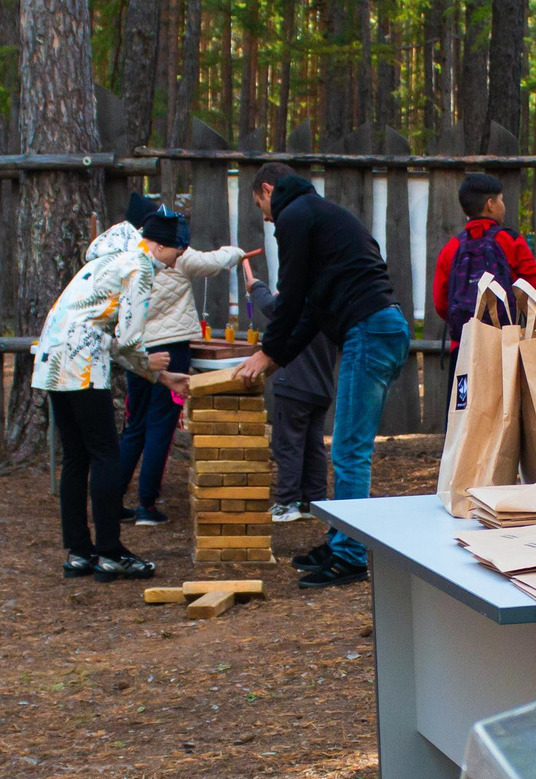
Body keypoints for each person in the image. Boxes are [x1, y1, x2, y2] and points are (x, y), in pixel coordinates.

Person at [231, 162, 408, 587]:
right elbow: (310, 309)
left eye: (260, 206)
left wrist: (268, 350)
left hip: (370, 329)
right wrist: (277, 358)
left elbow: (290, 296)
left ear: (268, 189)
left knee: (348, 449)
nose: (266, 218)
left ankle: (350, 556)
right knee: (347, 447)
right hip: (381, 327)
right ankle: (340, 540)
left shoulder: (294, 215)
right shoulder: (321, 214)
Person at [30, 209, 191, 579]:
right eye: (176, 254)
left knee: (76, 456)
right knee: (105, 455)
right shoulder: (139, 266)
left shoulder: (109, 258)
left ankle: (78, 552)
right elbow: (130, 339)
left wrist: (160, 376)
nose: (173, 263)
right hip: (83, 364)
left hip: (53, 358)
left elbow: (104, 334)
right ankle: (110, 552)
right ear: (161, 245)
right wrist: (152, 366)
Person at [114, 196, 253, 526]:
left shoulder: (126, 257)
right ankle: (147, 504)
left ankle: (113, 498)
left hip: (137, 350)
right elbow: (212, 262)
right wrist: (236, 252)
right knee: (161, 425)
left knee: (135, 425)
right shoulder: (176, 253)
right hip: (172, 350)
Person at [241, 258, 335, 524]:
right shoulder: (329, 305)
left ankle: (286, 502)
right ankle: (314, 500)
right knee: (313, 446)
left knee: (288, 445)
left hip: (293, 385)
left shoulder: (295, 303)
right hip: (321, 388)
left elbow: (270, 306)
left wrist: (255, 286)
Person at [432, 171, 536, 348]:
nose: (503, 205)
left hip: (464, 347)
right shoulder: (510, 242)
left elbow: (441, 304)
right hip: (504, 346)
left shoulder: (451, 248)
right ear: (490, 204)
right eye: (501, 200)